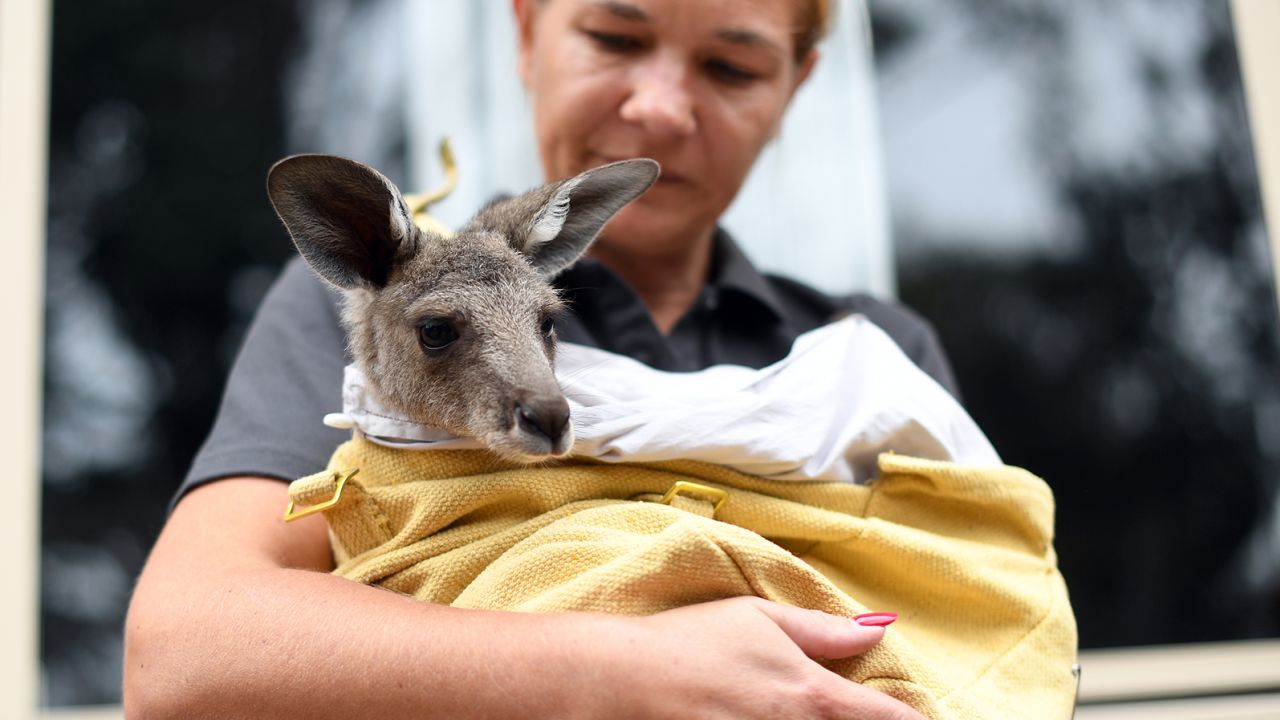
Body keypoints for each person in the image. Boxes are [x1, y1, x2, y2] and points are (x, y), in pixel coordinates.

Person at [123, 1, 955, 717]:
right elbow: (180, 657)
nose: (663, 109)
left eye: (732, 67)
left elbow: (971, 627)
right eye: (614, 38)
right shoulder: (370, 324)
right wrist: (619, 672)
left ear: (796, 87)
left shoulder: (864, 360)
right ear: (526, 34)